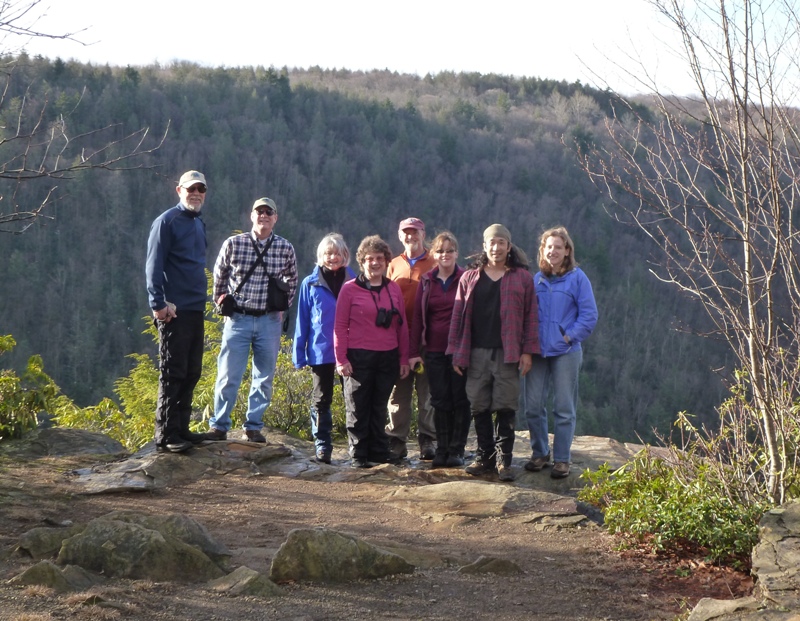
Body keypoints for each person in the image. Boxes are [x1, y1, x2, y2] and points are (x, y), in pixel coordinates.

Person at [447, 224, 538, 482]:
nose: (496, 248)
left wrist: (528, 352)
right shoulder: (469, 277)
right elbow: (457, 317)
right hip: (474, 352)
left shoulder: (522, 278)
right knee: (479, 404)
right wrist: (455, 352)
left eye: (501, 243)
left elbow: (531, 317)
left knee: (506, 405)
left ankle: (504, 461)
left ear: (509, 247)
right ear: (484, 246)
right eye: (491, 243)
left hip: (508, 352)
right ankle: (484, 457)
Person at [204, 197, 298, 443]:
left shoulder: (285, 248)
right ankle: (219, 426)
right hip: (238, 319)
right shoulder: (234, 244)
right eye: (260, 211)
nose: (264, 215)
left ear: (275, 218)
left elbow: (292, 281)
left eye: (269, 212)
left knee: (264, 377)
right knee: (228, 376)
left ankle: (253, 426)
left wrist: (282, 308)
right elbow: (219, 275)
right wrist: (222, 304)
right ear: (252, 215)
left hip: (269, 321)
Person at [521, 226, 598, 479]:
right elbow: (529, 315)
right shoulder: (537, 280)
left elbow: (589, 316)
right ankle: (540, 453)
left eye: (558, 247)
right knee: (533, 406)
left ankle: (562, 459)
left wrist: (568, 336)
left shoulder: (577, 278)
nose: (552, 251)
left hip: (566, 352)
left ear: (567, 251)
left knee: (564, 407)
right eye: (548, 247)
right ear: (542, 251)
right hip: (539, 352)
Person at [145, 170, 209, 454]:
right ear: (179, 190)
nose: (196, 193)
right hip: (173, 312)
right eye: (190, 188)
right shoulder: (166, 221)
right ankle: (166, 433)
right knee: (173, 372)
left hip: (196, 309)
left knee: (192, 371)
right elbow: (153, 265)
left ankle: (182, 428)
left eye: (201, 189)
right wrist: (158, 304)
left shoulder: (197, 223)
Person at [334, 235, 409, 468]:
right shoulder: (349, 289)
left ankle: (378, 450)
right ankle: (358, 453)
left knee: (379, 405)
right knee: (357, 405)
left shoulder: (393, 289)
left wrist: (404, 357)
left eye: (379, 258)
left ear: (387, 261)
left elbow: (402, 325)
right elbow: (339, 326)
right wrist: (341, 358)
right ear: (362, 262)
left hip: (387, 355)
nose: (375, 263)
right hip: (358, 356)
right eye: (369, 259)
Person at [293, 233, 357, 464]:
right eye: (329, 253)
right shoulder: (309, 283)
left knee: (353, 399)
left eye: (338, 253)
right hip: (321, 351)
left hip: (351, 350)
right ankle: (322, 446)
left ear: (345, 256)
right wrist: (299, 354)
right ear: (321, 256)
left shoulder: (356, 281)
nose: (333, 257)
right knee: (321, 400)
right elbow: (303, 320)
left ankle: (356, 445)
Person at [409, 231, 470, 468]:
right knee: (439, 399)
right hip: (433, 350)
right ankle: (442, 449)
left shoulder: (466, 278)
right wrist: (414, 352)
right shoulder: (427, 281)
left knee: (460, 400)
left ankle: (457, 449)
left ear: (456, 253)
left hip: (460, 350)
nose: (445, 255)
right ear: (434, 254)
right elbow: (417, 319)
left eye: (450, 250)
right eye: (440, 251)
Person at [385, 217, 437, 461]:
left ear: (423, 233)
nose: (410, 237)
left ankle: (428, 439)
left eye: (414, 232)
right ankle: (396, 440)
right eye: (406, 233)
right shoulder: (393, 264)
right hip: (399, 339)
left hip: (429, 338)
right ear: (399, 236)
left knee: (427, 393)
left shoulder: (435, 262)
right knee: (399, 394)